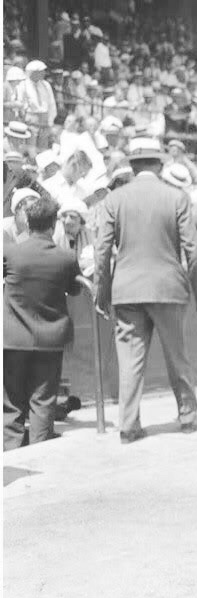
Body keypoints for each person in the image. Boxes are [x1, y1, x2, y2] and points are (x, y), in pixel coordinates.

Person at [93, 137, 197, 444]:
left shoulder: (114, 199)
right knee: (177, 356)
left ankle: (128, 426)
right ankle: (187, 416)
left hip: (127, 289)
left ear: (132, 166)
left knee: (130, 362)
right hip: (167, 286)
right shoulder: (176, 197)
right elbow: (193, 252)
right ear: (159, 164)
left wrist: (100, 292)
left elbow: (101, 251)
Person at [3, 192, 82, 449]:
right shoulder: (66, 257)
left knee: (11, 401)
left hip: (13, 338)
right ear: (53, 224)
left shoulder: (11, 254)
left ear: (27, 220)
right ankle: (40, 452)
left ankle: (12, 452)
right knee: (43, 400)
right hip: (49, 338)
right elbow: (75, 289)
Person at [18, 61, 57, 153]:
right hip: (31, 121)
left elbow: (51, 103)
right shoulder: (23, 85)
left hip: (45, 120)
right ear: (32, 72)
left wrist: (51, 120)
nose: (43, 73)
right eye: (40, 71)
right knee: (31, 148)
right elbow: (21, 104)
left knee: (43, 149)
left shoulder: (46, 85)